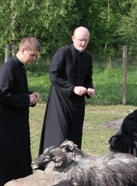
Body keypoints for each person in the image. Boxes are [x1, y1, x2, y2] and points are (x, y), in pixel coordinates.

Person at [0, 37, 41, 186]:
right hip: (6, 123)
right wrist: (26, 98)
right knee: (8, 158)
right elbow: (3, 96)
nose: (34, 59)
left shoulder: (20, 67)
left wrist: (30, 96)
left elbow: (17, 91)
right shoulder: (8, 68)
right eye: (32, 55)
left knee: (19, 155)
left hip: (17, 121)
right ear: (23, 50)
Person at [39, 26, 95, 154]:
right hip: (60, 99)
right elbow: (53, 75)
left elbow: (88, 78)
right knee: (59, 135)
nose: (83, 43)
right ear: (73, 38)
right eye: (80, 40)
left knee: (75, 135)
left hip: (78, 102)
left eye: (86, 40)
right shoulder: (63, 53)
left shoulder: (87, 57)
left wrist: (90, 89)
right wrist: (72, 88)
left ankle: (72, 165)